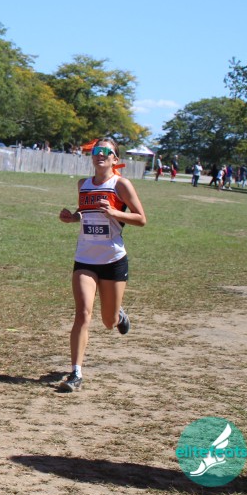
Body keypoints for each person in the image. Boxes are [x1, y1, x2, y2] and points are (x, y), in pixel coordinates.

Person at [57, 138, 146, 392]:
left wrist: (115, 213)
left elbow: (141, 218)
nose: (100, 155)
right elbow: (85, 212)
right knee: (83, 313)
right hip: (85, 259)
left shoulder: (121, 185)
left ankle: (118, 315)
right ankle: (76, 373)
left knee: (108, 321)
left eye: (107, 152)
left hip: (113, 260)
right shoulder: (83, 184)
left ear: (115, 159)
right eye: (97, 151)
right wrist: (72, 217)